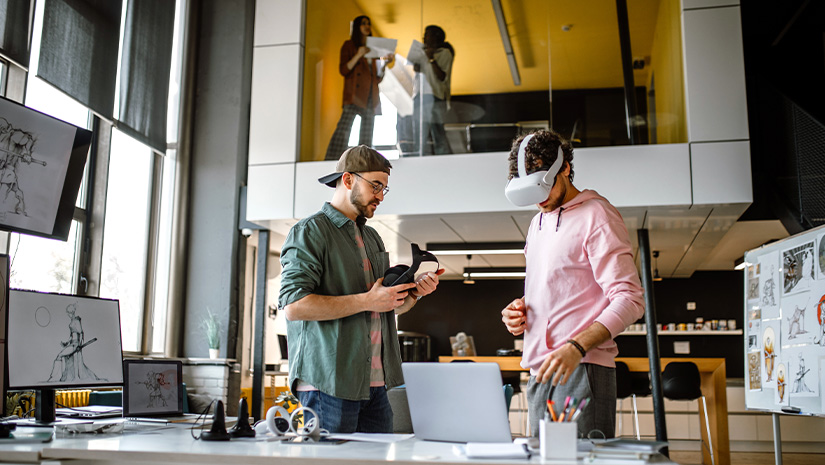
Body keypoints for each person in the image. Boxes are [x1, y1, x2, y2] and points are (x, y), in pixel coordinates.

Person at [279, 145, 442, 433]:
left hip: (375, 386)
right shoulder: (310, 232)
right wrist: (368, 301)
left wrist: (413, 294)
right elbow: (294, 306)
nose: (380, 195)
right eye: (376, 185)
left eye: (384, 189)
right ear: (348, 180)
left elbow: (385, 306)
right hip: (328, 384)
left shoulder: (373, 237)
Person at [499, 129, 645, 438]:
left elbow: (630, 299)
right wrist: (520, 312)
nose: (539, 200)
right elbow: (556, 289)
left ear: (564, 168)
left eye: (543, 187)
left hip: (582, 366)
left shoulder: (598, 216)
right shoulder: (537, 222)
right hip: (540, 369)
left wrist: (576, 347)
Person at [324, 16, 393, 161]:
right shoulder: (349, 45)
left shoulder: (373, 51)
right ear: (357, 27)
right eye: (363, 24)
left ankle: (362, 162)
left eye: (368, 23)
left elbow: (377, 78)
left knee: (367, 134)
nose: (367, 26)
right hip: (354, 95)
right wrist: (358, 55)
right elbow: (344, 70)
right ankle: (332, 159)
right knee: (343, 129)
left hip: (370, 96)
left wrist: (385, 64)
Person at [411, 25, 454, 156]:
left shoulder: (445, 53)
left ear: (436, 37)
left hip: (436, 96)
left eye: (427, 34)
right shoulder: (422, 52)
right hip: (421, 95)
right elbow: (418, 71)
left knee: (437, 131)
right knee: (420, 132)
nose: (424, 37)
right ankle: (420, 158)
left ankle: (444, 159)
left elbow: (442, 77)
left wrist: (431, 59)